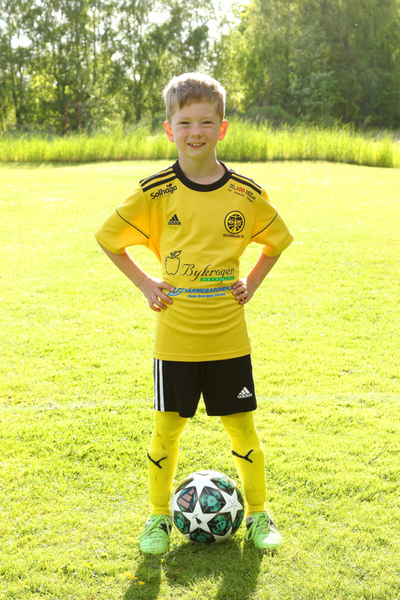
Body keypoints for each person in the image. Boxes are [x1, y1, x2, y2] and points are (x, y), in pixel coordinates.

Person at [94, 73, 293, 555]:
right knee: (167, 430)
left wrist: (252, 282)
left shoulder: (245, 193)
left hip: (228, 337)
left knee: (242, 428)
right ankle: (158, 517)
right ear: (170, 130)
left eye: (206, 122)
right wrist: (145, 283)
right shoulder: (155, 192)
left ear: (222, 128)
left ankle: (258, 513)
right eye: (185, 123)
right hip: (176, 338)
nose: (196, 132)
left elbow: (277, 241)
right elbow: (108, 238)